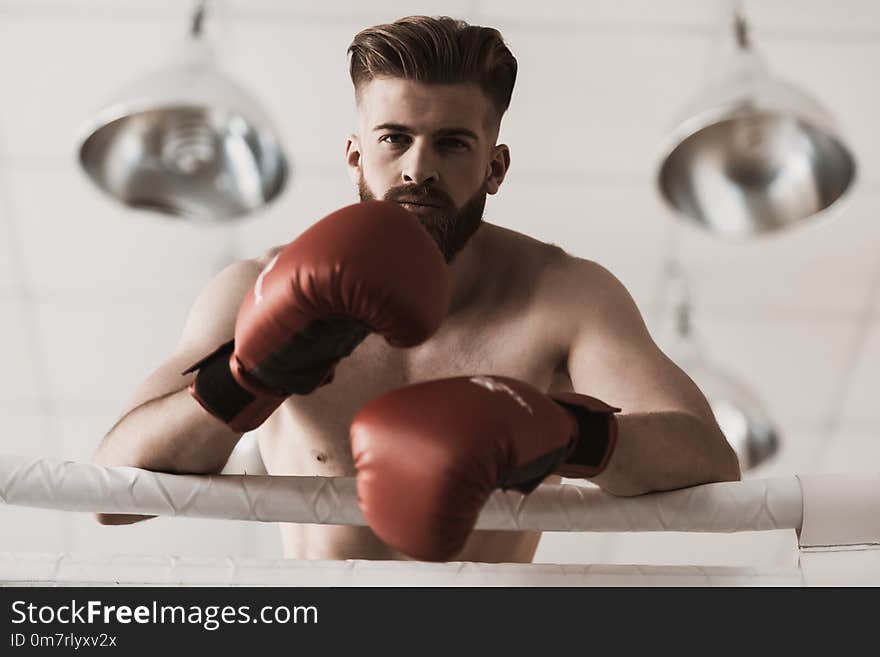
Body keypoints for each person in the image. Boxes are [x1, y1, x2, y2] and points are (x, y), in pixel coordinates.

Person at [93, 15, 741, 563]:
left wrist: (567, 433)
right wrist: (247, 379)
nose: (418, 168)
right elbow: (108, 496)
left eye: (452, 144)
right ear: (355, 155)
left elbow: (712, 465)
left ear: (496, 166)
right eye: (394, 138)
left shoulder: (566, 297)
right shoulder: (253, 286)